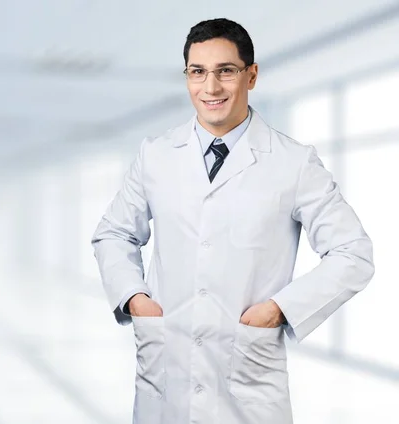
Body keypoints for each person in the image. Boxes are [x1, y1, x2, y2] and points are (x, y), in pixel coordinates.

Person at [90, 18, 374, 424]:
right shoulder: (156, 154)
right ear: (186, 76)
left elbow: (354, 254)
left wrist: (278, 309)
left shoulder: (293, 163)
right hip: (165, 377)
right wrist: (137, 300)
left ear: (251, 75)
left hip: (248, 382)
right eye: (198, 72)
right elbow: (113, 233)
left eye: (226, 71)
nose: (211, 88)